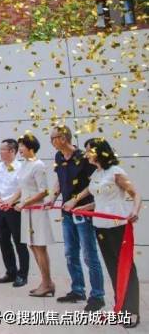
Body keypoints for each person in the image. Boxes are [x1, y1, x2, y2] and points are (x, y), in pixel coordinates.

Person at [64, 138, 141, 328]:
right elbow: (99, 200)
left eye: (89, 150)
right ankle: (121, 307)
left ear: (99, 152)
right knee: (113, 268)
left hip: (117, 226)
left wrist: (135, 211)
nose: (86, 154)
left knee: (126, 267)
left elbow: (135, 193)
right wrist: (81, 206)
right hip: (100, 226)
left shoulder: (116, 172)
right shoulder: (97, 173)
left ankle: (132, 312)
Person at [45, 125, 105, 310]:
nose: (51, 141)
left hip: (83, 212)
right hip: (67, 213)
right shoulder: (59, 157)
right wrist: (53, 196)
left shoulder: (83, 158)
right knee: (70, 253)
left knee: (89, 255)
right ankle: (78, 290)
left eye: (53, 138)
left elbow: (93, 185)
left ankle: (97, 296)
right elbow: (59, 179)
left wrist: (75, 200)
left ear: (63, 138)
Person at [3, 134, 55, 297]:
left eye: (22, 146)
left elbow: (44, 191)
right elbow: (21, 188)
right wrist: (10, 201)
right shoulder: (25, 164)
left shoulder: (38, 165)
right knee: (32, 246)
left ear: (31, 147)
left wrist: (24, 203)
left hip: (37, 212)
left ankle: (47, 283)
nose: (20, 149)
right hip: (27, 212)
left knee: (40, 247)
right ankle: (46, 282)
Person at [0, 139, 28, 287]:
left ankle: (22, 275)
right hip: (1, 207)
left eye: (3, 149)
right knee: (3, 240)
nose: (0, 152)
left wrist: (9, 201)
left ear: (12, 151)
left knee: (19, 242)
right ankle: (11, 272)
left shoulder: (20, 167)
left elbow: (21, 188)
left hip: (14, 207)